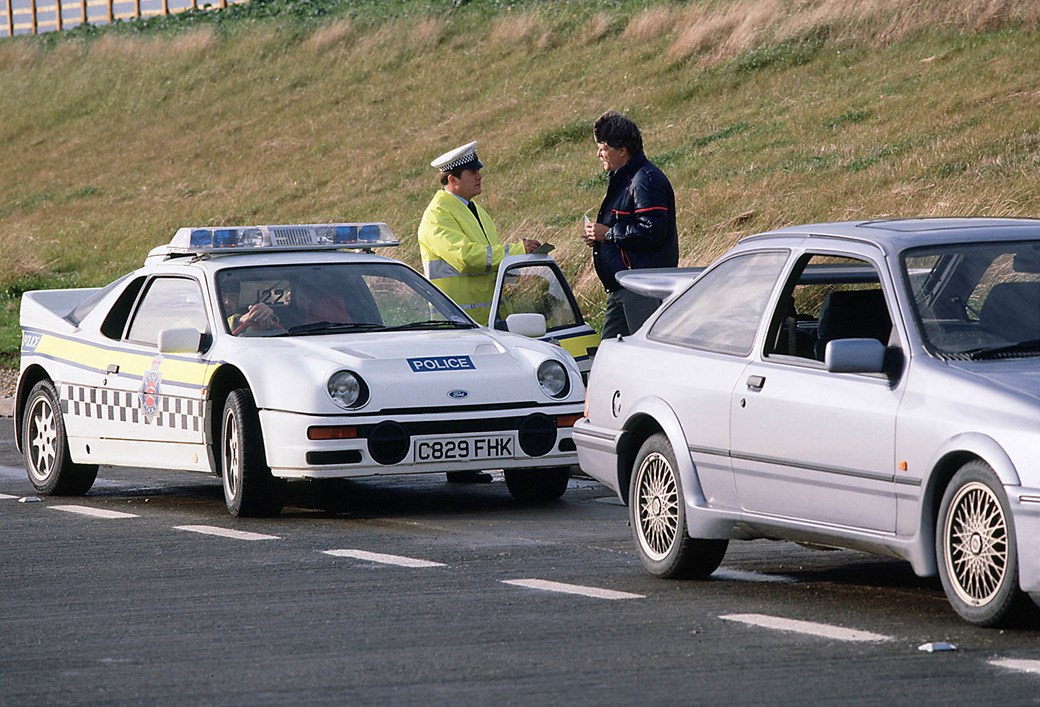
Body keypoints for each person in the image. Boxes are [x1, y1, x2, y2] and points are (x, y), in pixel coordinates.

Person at [418, 140, 540, 484]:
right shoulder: (438, 215)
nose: (480, 176)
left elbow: (486, 258)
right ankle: (460, 465)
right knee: (458, 394)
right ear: (452, 179)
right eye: (473, 172)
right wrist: (514, 250)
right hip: (452, 321)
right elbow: (466, 257)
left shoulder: (474, 210)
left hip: (483, 320)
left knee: (483, 391)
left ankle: (476, 457)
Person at [583, 110, 678, 339]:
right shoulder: (627, 178)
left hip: (641, 288)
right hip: (622, 288)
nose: (599, 154)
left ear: (622, 150)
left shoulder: (645, 180)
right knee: (610, 355)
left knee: (647, 357)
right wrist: (600, 237)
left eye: (603, 147)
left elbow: (653, 231)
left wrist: (609, 235)